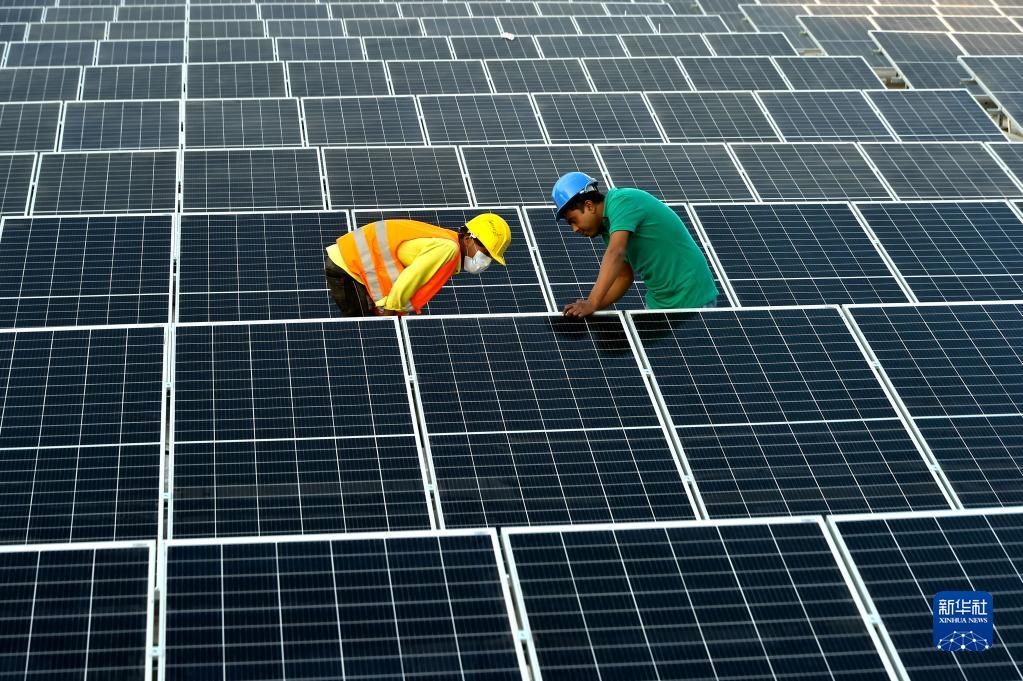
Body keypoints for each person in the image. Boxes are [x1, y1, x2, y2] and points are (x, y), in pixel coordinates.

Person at [552, 172, 718, 317]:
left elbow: (616, 252)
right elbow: (623, 277)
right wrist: (591, 307)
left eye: (573, 220)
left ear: (589, 206)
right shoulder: (609, 228)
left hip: (692, 298)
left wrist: (592, 302)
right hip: (660, 302)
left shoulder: (622, 201)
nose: (574, 229)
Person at [324, 214, 511, 316]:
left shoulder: (446, 243)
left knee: (368, 329)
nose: (486, 260)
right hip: (349, 266)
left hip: (355, 265)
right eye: (485, 252)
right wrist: (390, 312)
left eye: (490, 257)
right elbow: (410, 278)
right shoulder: (448, 249)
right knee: (364, 332)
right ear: (469, 238)